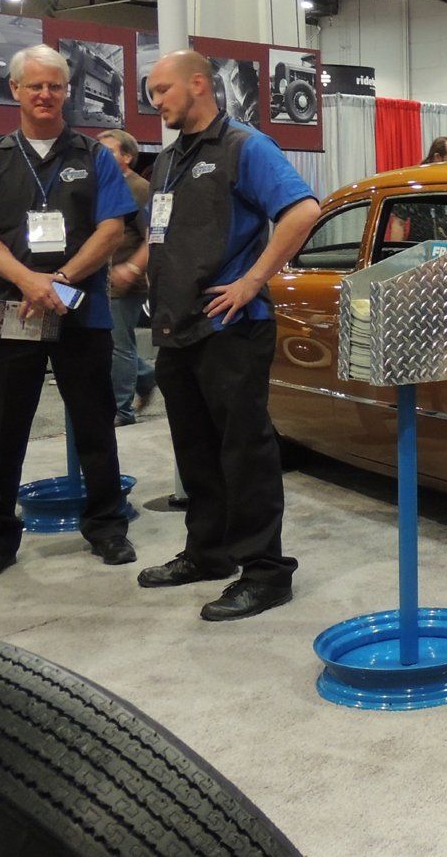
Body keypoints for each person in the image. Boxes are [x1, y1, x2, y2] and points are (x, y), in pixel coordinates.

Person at [120, 51, 320, 622]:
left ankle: (266, 572)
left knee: (245, 452)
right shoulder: (168, 160)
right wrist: (136, 271)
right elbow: (163, 232)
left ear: (199, 84)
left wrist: (252, 280)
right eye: (151, 93)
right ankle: (209, 553)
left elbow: (303, 211)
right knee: (196, 453)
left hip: (231, 328)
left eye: (163, 90)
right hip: (176, 329)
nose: (155, 102)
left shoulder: (244, 146)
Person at [0, 44, 137, 580]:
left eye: (55, 85)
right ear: (15, 90)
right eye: (35, 85)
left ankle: (107, 527)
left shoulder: (95, 156)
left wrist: (61, 279)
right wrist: (28, 280)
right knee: (3, 431)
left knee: (95, 424)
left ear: (67, 90)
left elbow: (112, 229)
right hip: (11, 312)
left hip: (82, 311)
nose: (46, 94)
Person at [97, 129, 156, 426]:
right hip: (103, 281)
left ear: (128, 156)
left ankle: (121, 410)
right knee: (112, 344)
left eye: (108, 151)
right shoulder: (104, 186)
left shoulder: (140, 188)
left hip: (126, 283)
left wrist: (132, 268)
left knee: (119, 346)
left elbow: (154, 236)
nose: (100, 157)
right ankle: (146, 376)